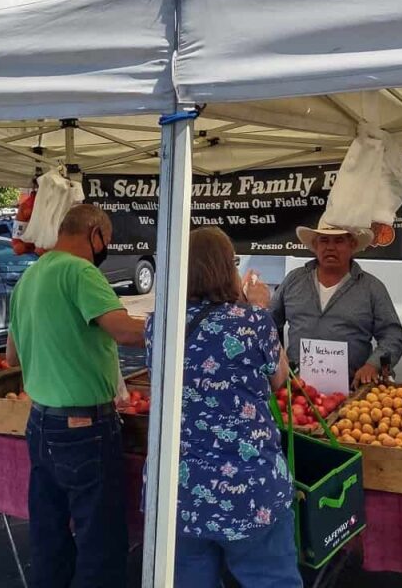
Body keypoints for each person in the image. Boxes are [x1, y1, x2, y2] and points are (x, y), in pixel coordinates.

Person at [145, 227, 301, 588]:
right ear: (226, 268)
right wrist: (258, 306)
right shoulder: (253, 321)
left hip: (178, 489)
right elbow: (280, 379)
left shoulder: (159, 324)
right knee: (271, 580)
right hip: (249, 489)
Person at [7, 203, 145, 588]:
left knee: (49, 534)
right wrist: (179, 325)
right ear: (94, 233)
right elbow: (126, 333)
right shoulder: (81, 272)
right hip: (85, 427)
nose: (106, 250)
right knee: (99, 539)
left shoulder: (29, 279)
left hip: (40, 423)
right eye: (108, 241)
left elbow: (10, 356)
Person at [269, 218, 402, 388]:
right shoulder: (293, 280)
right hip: (297, 392)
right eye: (324, 240)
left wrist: (373, 365)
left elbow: (393, 336)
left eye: (339, 240)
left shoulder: (372, 287)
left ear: (352, 245)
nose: (330, 247)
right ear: (315, 245)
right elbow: (268, 325)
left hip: (354, 391)